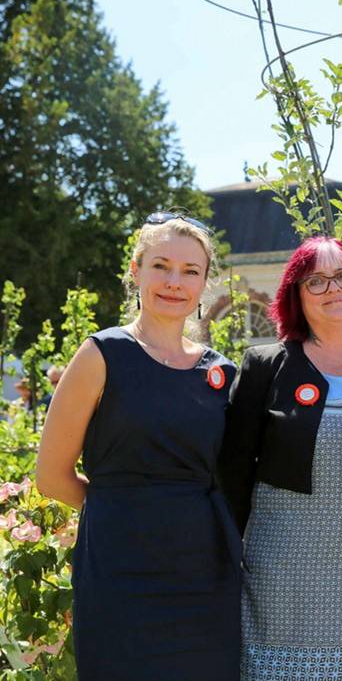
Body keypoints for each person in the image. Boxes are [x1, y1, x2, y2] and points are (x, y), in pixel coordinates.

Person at [35, 212, 241, 680]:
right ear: (136, 271)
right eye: (161, 266)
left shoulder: (222, 374)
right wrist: (123, 507)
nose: (174, 282)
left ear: (204, 283)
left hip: (204, 572)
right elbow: (50, 476)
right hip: (119, 570)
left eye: (190, 271)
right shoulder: (100, 355)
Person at [219, 236, 342, 680]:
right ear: (296, 296)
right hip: (289, 584)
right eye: (316, 281)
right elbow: (231, 477)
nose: (334, 288)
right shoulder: (266, 366)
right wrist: (221, 564)